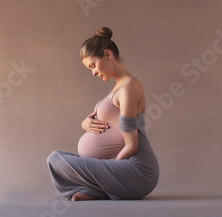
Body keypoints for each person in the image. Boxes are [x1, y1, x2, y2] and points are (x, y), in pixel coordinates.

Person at [46, 27, 159, 201]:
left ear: (107, 54)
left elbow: (132, 146)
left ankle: (105, 188)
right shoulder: (117, 88)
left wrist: (106, 169)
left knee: (56, 159)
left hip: (138, 169)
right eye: (89, 69)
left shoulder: (129, 87)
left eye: (93, 66)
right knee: (59, 160)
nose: (93, 73)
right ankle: (102, 191)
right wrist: (85, 124)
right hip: (121, 168)